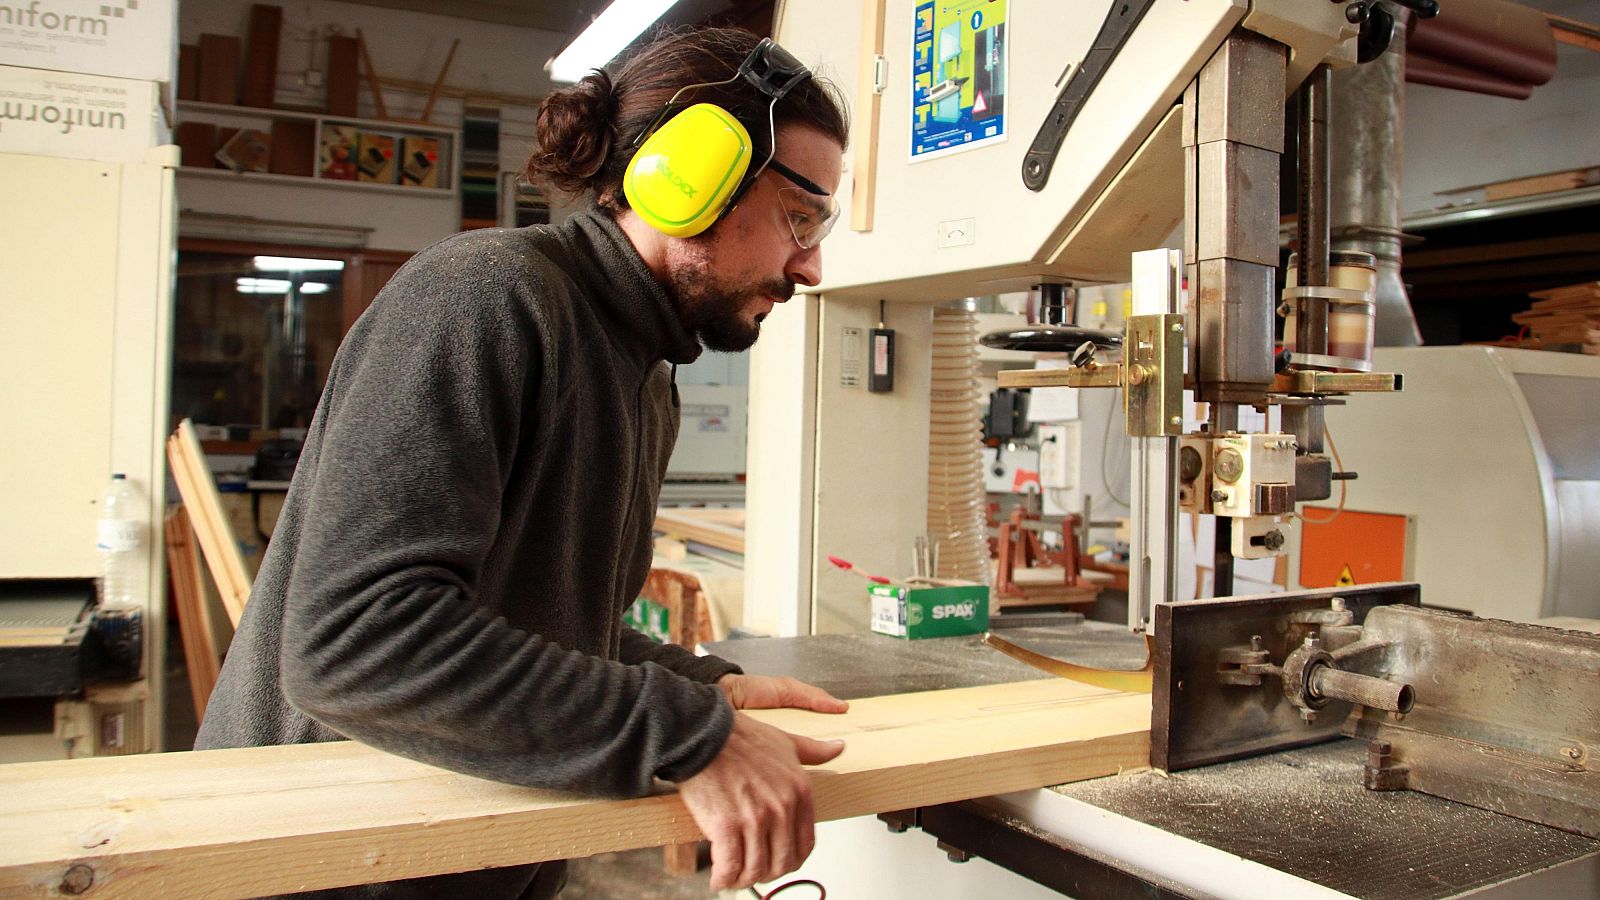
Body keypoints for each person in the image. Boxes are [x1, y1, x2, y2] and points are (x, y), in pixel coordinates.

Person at [195, 26, 853, 899]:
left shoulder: (645, 378)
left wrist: (706, 687)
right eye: (800, 218)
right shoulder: (483, 297)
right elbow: (358, 642)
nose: (810, 264)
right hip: (320, 868)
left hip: (468, 857)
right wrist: (682, 732)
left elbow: (540, 620)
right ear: (690, 178)